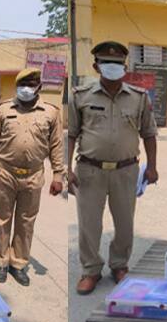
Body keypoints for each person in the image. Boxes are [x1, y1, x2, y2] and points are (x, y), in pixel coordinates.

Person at [68, 41, 158, 295]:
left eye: (117, 63)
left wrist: (152, 166)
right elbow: (71, 134)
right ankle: (91, 270)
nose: (112, 67)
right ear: (96, 66)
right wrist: (65, 168)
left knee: (125, 222)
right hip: (89, 170)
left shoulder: (139, 97)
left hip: (126, 170)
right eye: (106, 63)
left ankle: (120, 265)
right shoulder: (80, 95)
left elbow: (149, 133)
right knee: (89, 224)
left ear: (125, 66)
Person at [0, 68, 64, 286]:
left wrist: (58, 175)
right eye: (22, 85)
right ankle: (1, 261)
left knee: (26, 222)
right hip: (6, 172)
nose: (26, 89)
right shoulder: (3, 110)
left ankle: (18, 264)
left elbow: (56, 145)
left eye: (31, 85)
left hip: (33, 175)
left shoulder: (51, 112)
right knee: (1, 218)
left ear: (39, 87)